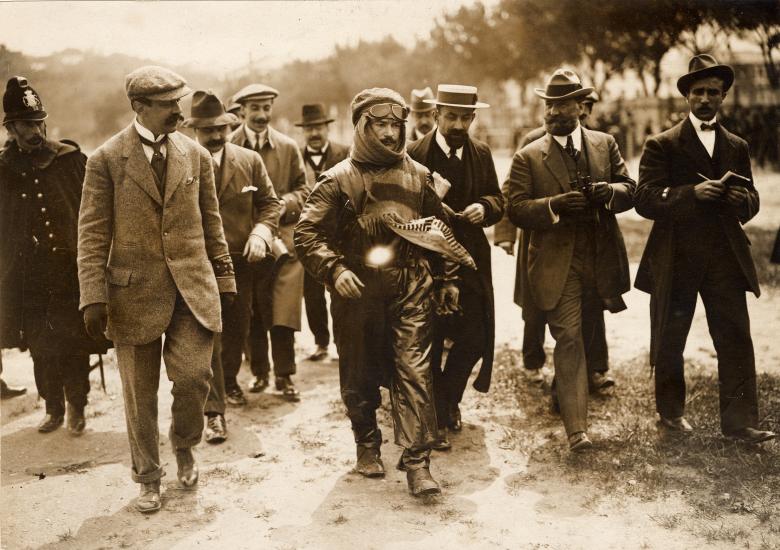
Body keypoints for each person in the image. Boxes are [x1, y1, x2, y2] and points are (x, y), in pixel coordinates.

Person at [77, 66, 236, 513]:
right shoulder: (105, 160)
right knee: (139, 395)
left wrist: (224, 279)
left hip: (192, 290)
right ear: (139, 107)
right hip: (131, 294)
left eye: (178, 102)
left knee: (193, 378)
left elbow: (212, 222)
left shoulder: (196, 155)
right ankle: (148, 476)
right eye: (168, 105)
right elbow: (91, 233)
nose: (178, 112)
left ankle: (184, 445)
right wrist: (93, 295)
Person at [294, 87, 460, 497]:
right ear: (361, 127)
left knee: (415, 370)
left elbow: (439, 230)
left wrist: (448, 278)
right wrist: (333, 269)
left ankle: (418, 462)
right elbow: (306, 233)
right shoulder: (338, 180)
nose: (389, 133)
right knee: (359, 369)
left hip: (411, 285)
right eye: (379, 124)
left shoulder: (419, 176)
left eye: (395, 124)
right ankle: (367, 443)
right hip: (358, 289)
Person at [634, 54, 776, 443]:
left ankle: (739, 422)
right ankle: (671, 413)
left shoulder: (736, 145)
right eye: (698, 92)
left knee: (734, 335)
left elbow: (753, 200)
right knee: (670, 336)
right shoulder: (661, 144)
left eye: (713, 92)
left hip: (725, 256)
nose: (705, 99)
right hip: (676, 254)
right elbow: (644, 199)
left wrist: (737, 201)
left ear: (724, 96)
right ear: (686, 97)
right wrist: (689, 194)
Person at [506, 69, 635, 452]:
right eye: (550, 104)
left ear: (582, 106)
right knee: (569, 337)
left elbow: (630, 190)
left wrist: (607, 192)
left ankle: (566, 395)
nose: (554, 111)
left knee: (589, 331)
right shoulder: (528, 155)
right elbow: (515, 208)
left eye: (563, 104)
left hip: (600, 258)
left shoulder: (604, 144)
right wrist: (554, 206)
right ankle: (577, 430)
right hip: (556, 262)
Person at [1, 76, 108, 433]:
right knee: (40, 344)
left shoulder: (69, 158)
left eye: (38, 122)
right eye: (26, 124)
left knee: (73, 340)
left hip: (67, 269)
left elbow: (95, 206)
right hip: (27, 275)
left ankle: (77, 405)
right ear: (11, 127)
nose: (35, 130)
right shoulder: (3, 168)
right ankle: (53, 407)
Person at [494, 90, 613, 395]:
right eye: (553, 104)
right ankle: (533, 362)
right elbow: (511, 192)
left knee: (590, 306)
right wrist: (506, 235)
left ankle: (595, 369)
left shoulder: (596, 144)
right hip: (541, 236)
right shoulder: (534, 142)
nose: (586, 111)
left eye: (588, 106)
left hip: (583, 243)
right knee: (536, 303)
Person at [408, 84, 503, 449]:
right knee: (428, 335)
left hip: (473, 257)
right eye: (451, 116)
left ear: (474, 118)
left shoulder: (481, 153)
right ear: (435, 116)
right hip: (425, 257)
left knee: (476, 336)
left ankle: (449, 399)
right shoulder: (414, 153)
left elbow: (498, 197)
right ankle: (436, 410)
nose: (458, 124)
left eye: (466, 117)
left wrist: (486, 207)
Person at [183, 90, 280, 444]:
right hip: (197, 265)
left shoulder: (249, 160)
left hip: (241, 264)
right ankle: (214, 412)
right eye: (206, 130)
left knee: (237, 330)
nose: (214, 136)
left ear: (228, 126)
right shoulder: (181, 163)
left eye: (220, 129)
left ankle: (230, 381)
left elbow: (270, 204)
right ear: (193, 130)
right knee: (209, 336)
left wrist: (261, 232)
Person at [229, 83, 309, 402]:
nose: (262, 115)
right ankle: (259, 372)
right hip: (246, 242)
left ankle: (285, 376)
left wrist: (278, 205)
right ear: (242, 111)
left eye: (266, 108)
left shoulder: (288, 147)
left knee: (283, 310)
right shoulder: (230, 145)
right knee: (252, 312)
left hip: (284, 242)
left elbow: (305, 191)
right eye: (255, 109)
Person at [295, 103, 348, 362]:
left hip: (341, 234)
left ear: (327, 128)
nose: (314, 133)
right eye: (309, 129)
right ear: (303, 132)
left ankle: (342, 343)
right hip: (310, 235)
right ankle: (321, 342)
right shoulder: (296, 157)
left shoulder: (345, 153)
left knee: (340, 290)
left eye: (318, 127)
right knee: (312, 293)